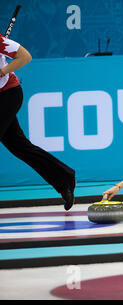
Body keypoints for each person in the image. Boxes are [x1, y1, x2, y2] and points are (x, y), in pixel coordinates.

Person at [0, 33, 76, 210]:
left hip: (7, 95)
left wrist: (2, 71)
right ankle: (64, 180)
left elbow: (25, 56)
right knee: (20, 146)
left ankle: (64, 179)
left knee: (19, 146)